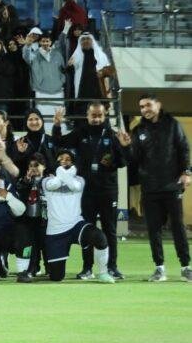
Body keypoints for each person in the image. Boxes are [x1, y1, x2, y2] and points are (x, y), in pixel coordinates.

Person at [52, 102, 129, 280]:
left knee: (110, 229)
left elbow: (123, 163)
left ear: (104, 115)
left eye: (99, 115)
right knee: (87, 229)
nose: (96, 119)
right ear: (87, 115)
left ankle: (112, 267)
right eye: (93, 115)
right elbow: (59, 143)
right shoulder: (80, 132)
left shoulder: (112, 135)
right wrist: (57, 125)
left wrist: (123, 148)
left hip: (108, 190)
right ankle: (87, 268)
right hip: (86, 192)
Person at [126, 94, 191, 282]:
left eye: (148, 105)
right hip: (150, 188)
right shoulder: (138, 130)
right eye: (141, 107)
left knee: (178, 227)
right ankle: (159, 268)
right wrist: (126, 146)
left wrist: (187, 172)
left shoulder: (172, 125)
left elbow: (184, 149)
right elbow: (134, 159)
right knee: (153, 229)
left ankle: (186, 267)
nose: (144, 109)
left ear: (158, 105)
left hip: (172, 186)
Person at [39, 150, 116, 283]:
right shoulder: (47, 180)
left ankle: (103, 273)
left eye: (68, 159)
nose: (64, 161)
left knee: (100, 237)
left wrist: (66, 172)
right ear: (56, 162)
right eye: (61, 158)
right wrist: (63, 172)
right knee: (57, 277)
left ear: (73, 163)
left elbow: (74, 186)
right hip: (55, 232)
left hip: (76, 225)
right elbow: (54, 185)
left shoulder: (79, 180)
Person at [22, 21, 71, 132]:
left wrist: (66, 28)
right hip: (41, 92)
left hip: (58, 92)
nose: (45, 43)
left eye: (47, 41)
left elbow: (61, 42)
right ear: (40, 42)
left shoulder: (57, 54)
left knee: (59, 119)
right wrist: (27, 45)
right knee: (43, 119)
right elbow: (26, 56)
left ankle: (59, 137)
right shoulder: (34, 55)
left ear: (50, 42)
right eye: (43, 41)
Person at [14, 153, 47, 282]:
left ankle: (49, 267)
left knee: (45, 243)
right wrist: (26, 180)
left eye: (36, 165)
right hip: (28, 218)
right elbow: (20, 191)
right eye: (31, 166)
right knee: (31, 244)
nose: (33, 168)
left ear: (44, 166)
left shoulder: (49, 181)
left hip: (44, 218)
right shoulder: (24, 181)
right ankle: (32, 268)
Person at [68, 33, 111, 119]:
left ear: (92, 41)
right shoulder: (76, 55)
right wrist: (69, 66)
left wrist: (103, 73)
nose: (86, 41)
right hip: (82, 90)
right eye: (83, 39)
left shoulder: (101, 55)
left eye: (88, 39)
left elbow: (109, 72)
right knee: (82, 115)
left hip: (98, 89)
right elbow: (69, 72)